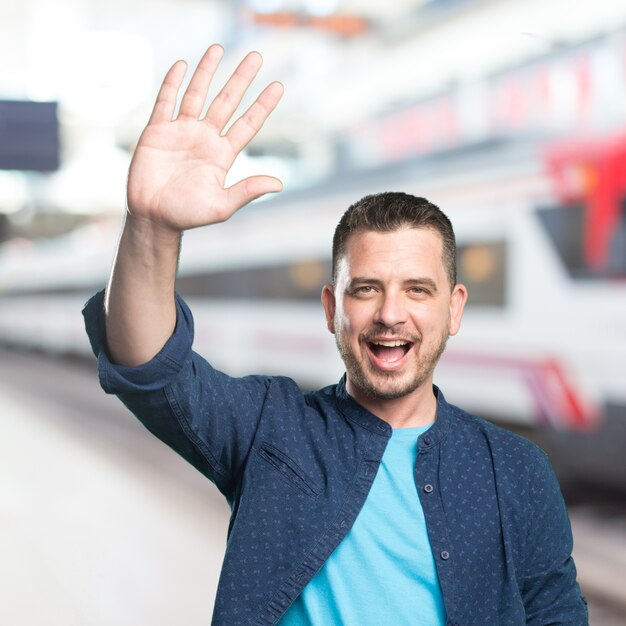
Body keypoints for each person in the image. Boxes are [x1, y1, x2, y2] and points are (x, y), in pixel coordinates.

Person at [82, 45, 588, 625]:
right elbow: (150, 368)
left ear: (454, 310)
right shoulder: (270, 430)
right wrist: (151, 225)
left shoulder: (516, 471)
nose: (390, 313)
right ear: (332, 307)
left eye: (417, 290)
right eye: (365, 288)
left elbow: (556, 615)